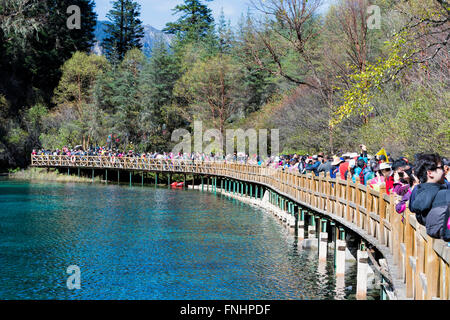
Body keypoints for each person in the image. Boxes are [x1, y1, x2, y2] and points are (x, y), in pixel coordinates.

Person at [409, 154, 448, 236]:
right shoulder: (442, 195)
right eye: (441, 167)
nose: (444, 171)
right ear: (430, 173)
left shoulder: (418, 192)